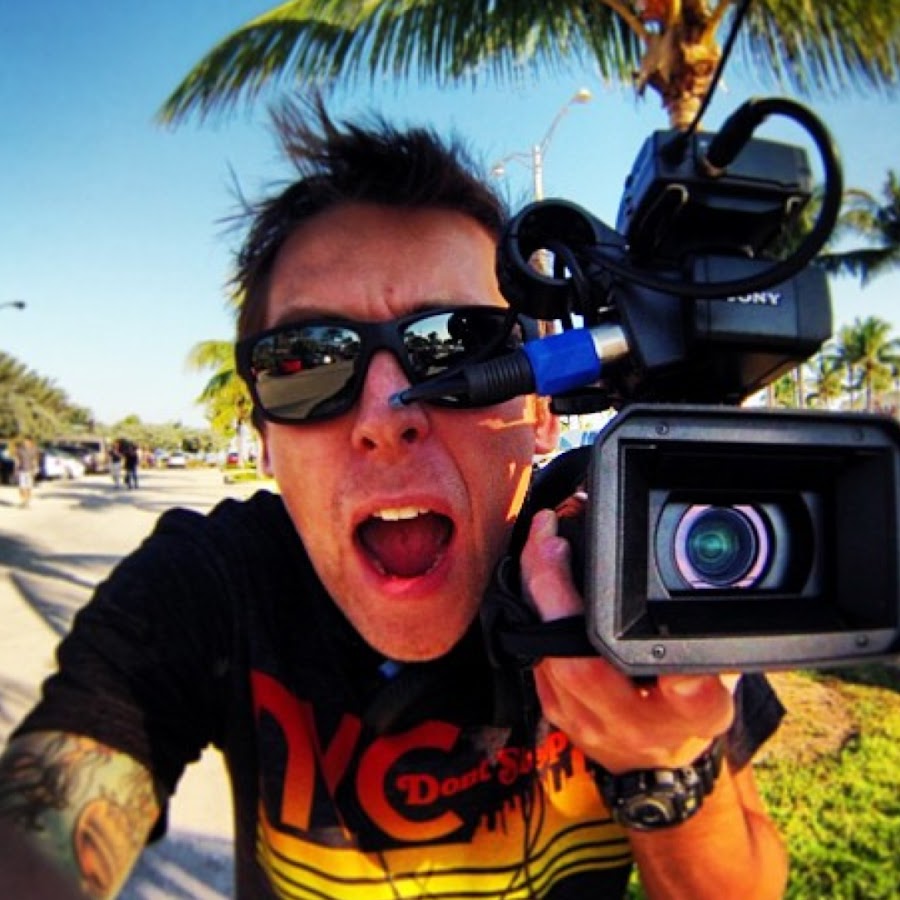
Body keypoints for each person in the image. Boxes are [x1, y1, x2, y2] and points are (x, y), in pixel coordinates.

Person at [0, 101, 789, 899]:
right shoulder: (210, 587)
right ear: (264, 437)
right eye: (305, 362)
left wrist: (664, 767)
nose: (386, 416)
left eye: (461, 346)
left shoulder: (636, 562)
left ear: (542, 410)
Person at [14, 436, 39, 508]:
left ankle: (27, 501)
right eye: (24, 442)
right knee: (22, 487)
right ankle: (23, 501)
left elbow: (35, 459)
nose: (25, 443)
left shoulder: (34, 449)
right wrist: (15, 469)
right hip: (21, 470)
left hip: (30, 471)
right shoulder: (19, 449)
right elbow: (17, 459)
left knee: (29, 487)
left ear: (30, 442)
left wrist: (36, 468)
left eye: (27, 441)